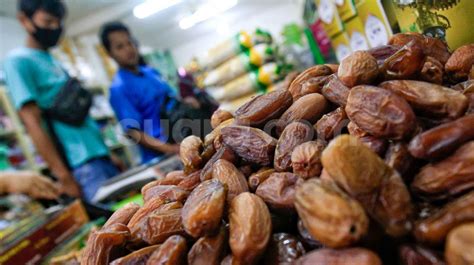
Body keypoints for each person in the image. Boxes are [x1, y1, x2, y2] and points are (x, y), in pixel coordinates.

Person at [3, 0, 119, 202]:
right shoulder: (18, 61)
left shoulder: (52, 59)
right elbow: (32, 122)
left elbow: (79, 119)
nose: (55, 28)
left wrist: (107, 153)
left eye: (58, 22)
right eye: (48, 21)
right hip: (80, 165)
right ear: (24, 20)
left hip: (99, 156)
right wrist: (63, 176)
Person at [100, 22, 182, 164]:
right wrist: (169, 149)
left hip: (181, 141)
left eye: (130, 43)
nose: (128, 49)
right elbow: (132, 131)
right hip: (162, 158)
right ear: (110, 54)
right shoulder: (119, 88)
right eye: (120, 47)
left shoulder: (150, 73)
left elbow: (172, 98)